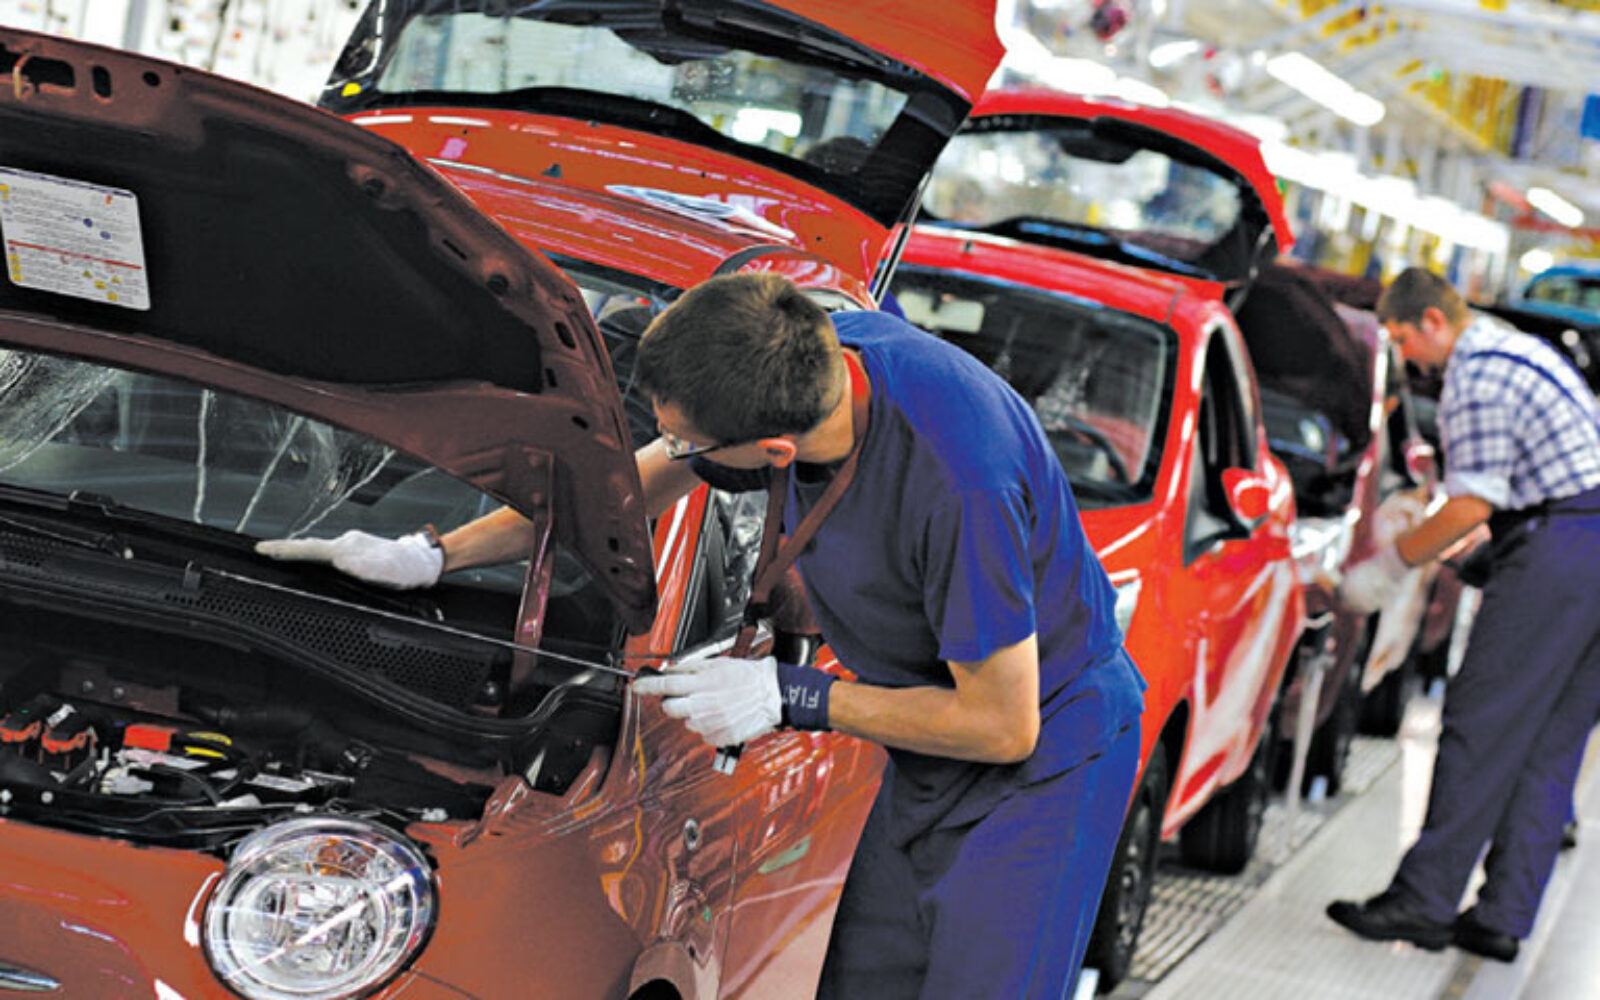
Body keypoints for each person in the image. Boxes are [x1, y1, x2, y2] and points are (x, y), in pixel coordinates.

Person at [258, 272, 1145, 999]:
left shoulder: (962, 486)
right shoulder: (802, 357)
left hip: (1046, 760)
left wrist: (790, 695)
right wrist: (432, 554)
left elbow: (1002, 724)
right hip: (926, 746)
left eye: (688, 443)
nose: (674, 451)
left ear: (776, 451)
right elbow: (627, 490)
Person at [1326, 266, 1600, 964]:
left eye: (1401, 340)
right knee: (1551, 744)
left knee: (1483, 721)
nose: (1404, 358)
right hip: (1583, 538)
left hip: (1566, 550)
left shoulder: (1475, 375)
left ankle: (1423, 901)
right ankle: (1504, 915)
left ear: (1432, 321)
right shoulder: (1519, 349)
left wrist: (1383, 570)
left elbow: (1470, 504)